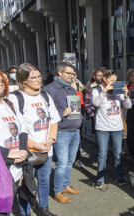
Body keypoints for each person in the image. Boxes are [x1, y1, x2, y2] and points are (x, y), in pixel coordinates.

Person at [8, 63, 60, 216]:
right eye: (33, 77)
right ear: (23, 80)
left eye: (39, 76)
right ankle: (25, 212)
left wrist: (50, 141)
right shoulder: (15, 98)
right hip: (26, 151)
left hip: (45, 149)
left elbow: (54, 121)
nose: (39, 80)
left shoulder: (45, 95)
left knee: (44, 180)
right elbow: (16, 129)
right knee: (26, 184)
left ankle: (43, 209)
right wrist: (34, 144)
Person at [43, 61, 83, 204]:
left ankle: (66, 185)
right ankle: (58, 191)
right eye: (69, 73)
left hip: (75, 130)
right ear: (59, 73)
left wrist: (80, 118)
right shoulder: (49, 89)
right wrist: (62, 112)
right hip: (61, 131)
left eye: (73, 74)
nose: (72, 76)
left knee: (70, 162)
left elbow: (75, 109)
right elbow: (46, 112)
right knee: (62, 163)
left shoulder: (72, 89)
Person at [92, 70, 132, 189]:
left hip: (117, 127)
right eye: (111, 80)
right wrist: (104, 91)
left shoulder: (118, 90)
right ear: (104, 79)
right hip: (102, 127)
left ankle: (119, 176)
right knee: (102, 153)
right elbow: (96, 103)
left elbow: (128, 106)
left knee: (118, 153)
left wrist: (125, 95)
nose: (114, 82)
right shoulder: (97, 89)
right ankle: (100, 178)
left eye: (115, 80)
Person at [0, 70, 29, 216]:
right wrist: (10, 154)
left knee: (10, 206)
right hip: (1, 169)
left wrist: (22, 151)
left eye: (0, 81)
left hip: (15, 167)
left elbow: (23, 127)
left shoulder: (7, 104)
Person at [84, 69, 104, 135]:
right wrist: (91, 114)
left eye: (102, 75)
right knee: (98, 134)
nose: (101, 77)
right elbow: (87, 102)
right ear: (94, 76)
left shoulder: (106, 86)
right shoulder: (91, 87)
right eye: (98, 75)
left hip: (107, 113)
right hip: (96, 113)